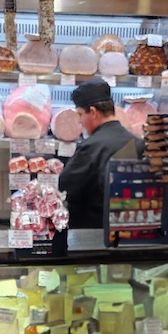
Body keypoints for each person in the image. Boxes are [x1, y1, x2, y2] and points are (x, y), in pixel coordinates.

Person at [59, 80, 143, 230]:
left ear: (92, 112)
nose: (79, 121)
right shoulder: (138, 143)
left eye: (80, 114)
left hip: (92, 233)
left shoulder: (91, 147)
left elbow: (66, 188)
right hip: (129, 232)